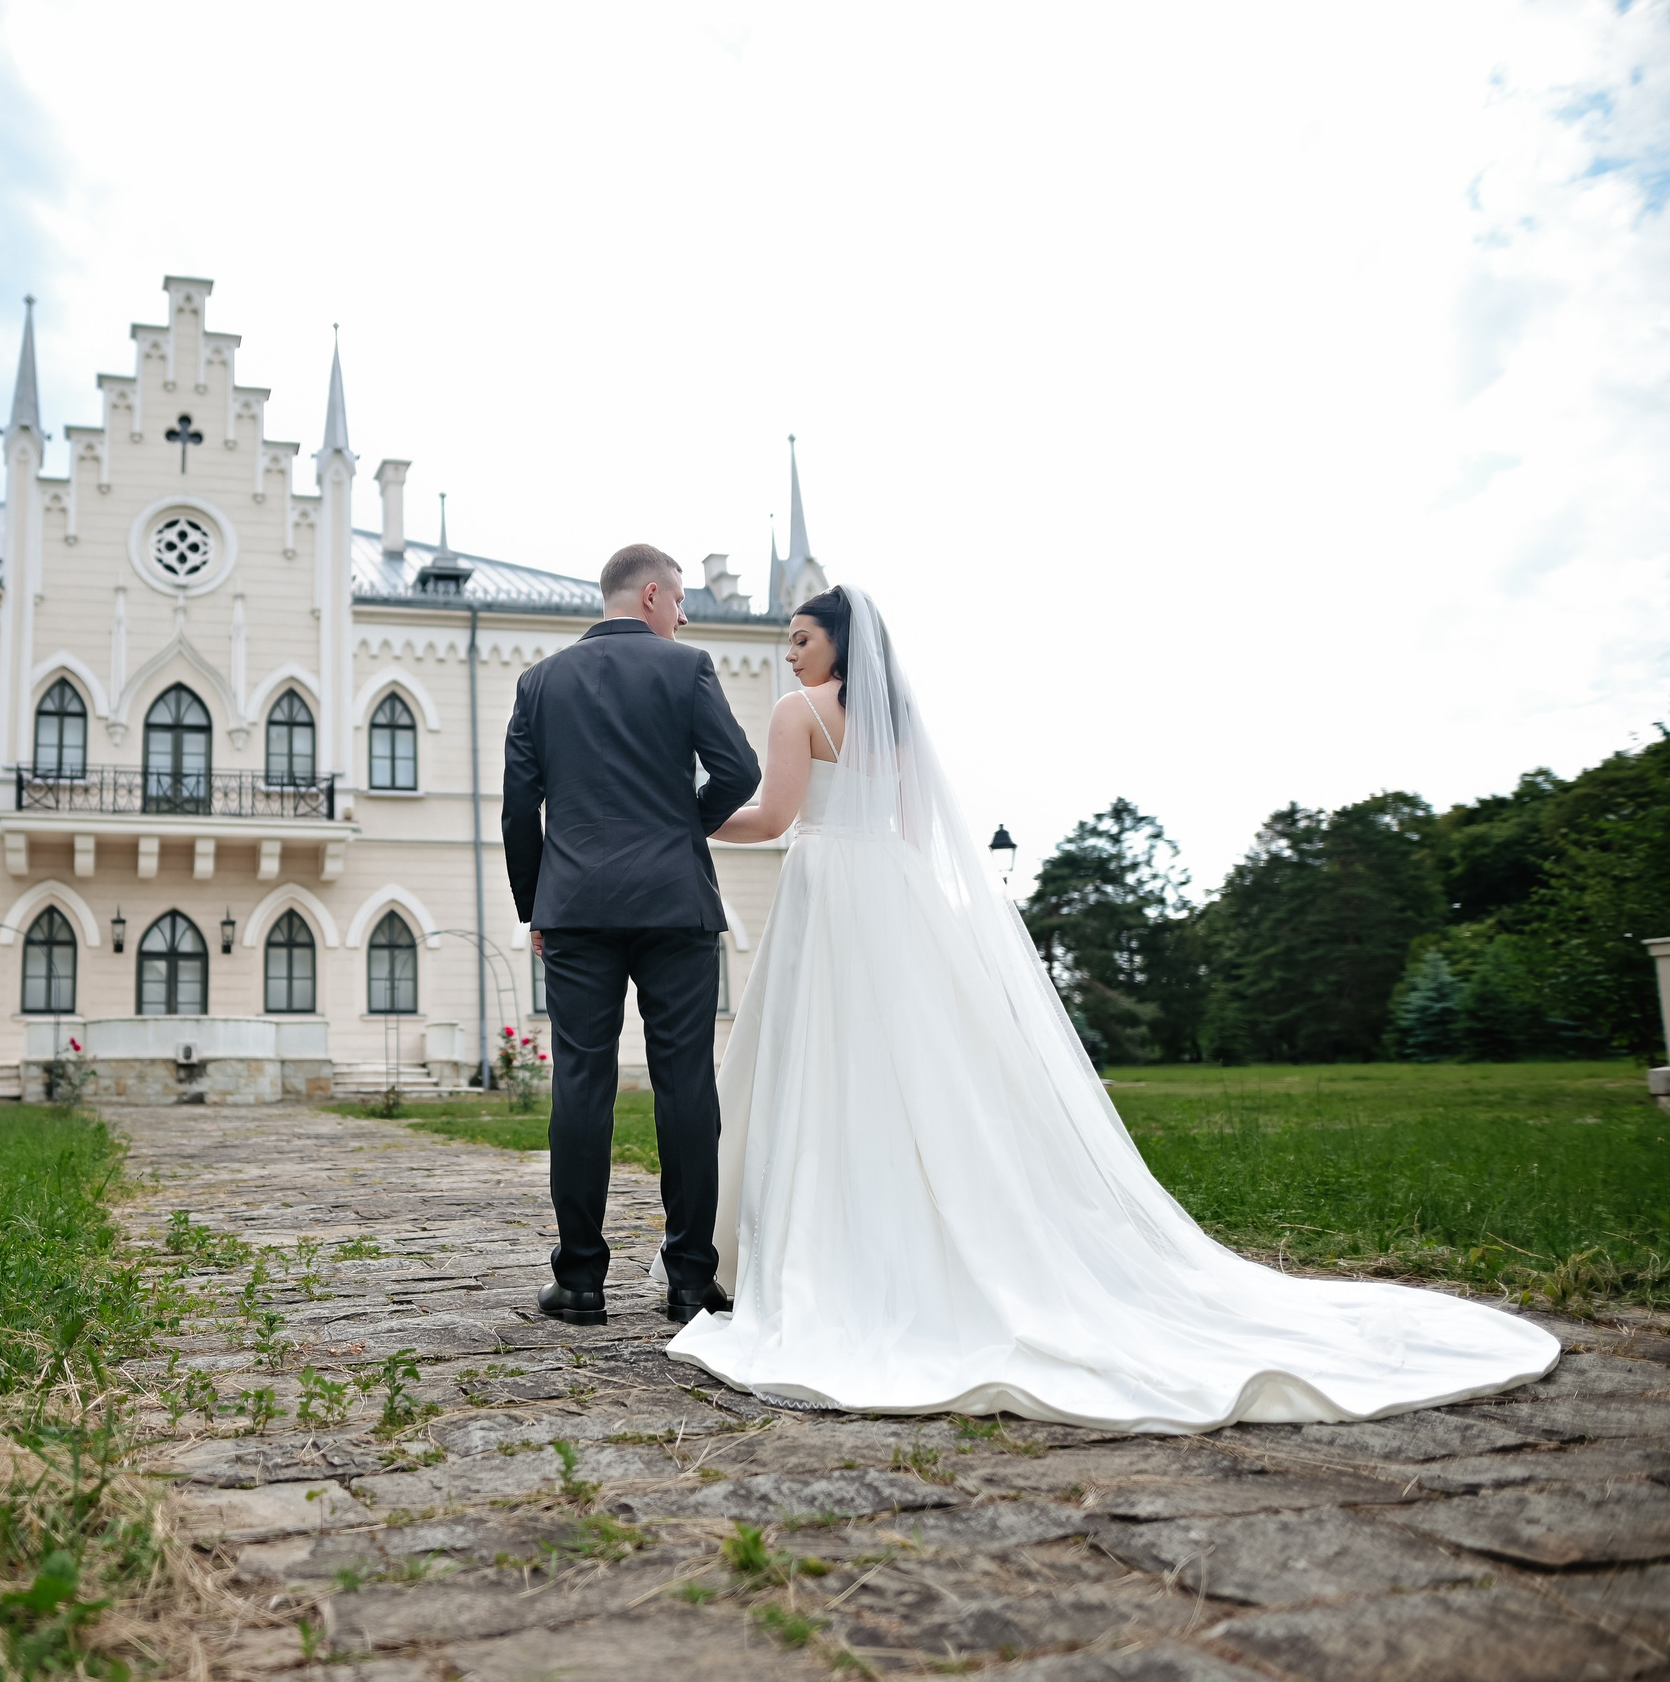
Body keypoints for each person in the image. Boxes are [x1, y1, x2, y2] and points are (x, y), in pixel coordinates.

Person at [667, 584, 1557, 1430]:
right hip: (894, 902)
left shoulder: (798, 714)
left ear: (839, 642)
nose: (789, 654)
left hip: (830, 893)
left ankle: (809, 1253)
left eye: (801, 638)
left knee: (820, 1069)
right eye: (787, 641)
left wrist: (684, 817)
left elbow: (776, 818)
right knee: (919, 1076)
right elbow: (910, 835)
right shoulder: (897, 731)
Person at [503, 544, 762, 1326]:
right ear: (652, 594)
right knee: (686, 1081)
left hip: (576, 905)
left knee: (581, 1081)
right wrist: (680, 827)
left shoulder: (539, 682)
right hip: (675, 902)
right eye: (680, 601)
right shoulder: (688, 671)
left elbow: (520, 810)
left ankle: (579, 1281)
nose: (684, 617)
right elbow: (740, 772)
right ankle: (690, 1281)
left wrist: (535, 907)